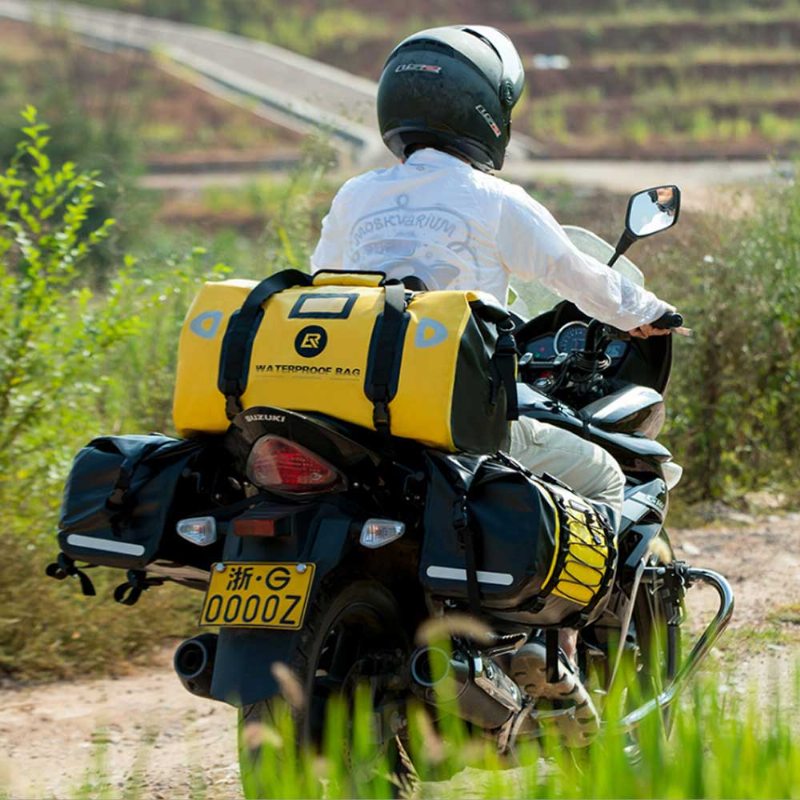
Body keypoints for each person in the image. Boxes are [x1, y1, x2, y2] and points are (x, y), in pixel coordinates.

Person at [310, 24, 676, 731]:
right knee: (602, 477)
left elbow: (324, 282)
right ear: (486, 112)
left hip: (354, 414)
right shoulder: (492, 199)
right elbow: (577, 274)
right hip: (453, 416)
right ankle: (556, 652)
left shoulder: (356, 197)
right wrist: (647, 313)